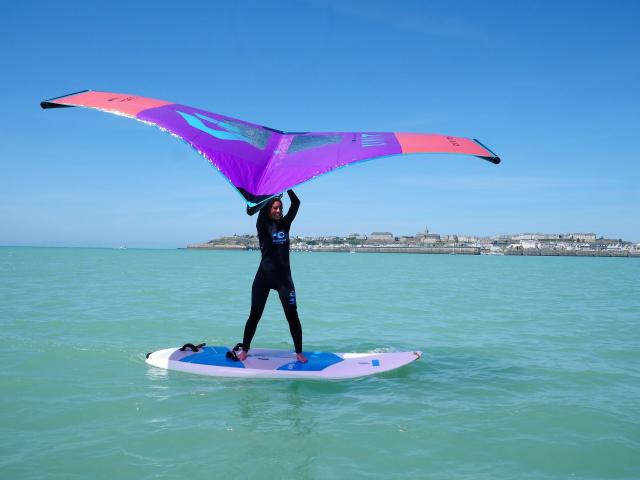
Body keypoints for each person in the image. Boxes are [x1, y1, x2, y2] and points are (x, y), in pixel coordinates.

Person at [235, 190, 308, 363]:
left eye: (279, 208)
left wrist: (288, 186)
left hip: (284, 280)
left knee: (292, 315)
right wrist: (270, 193)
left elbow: (296, 204)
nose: (277, 210)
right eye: (274, 208)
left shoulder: (285, 224)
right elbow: (254, 208)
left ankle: (298, 352)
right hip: (264, 277)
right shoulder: (262, 224)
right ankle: (245, 349)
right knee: (255, 314)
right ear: (268, 209)